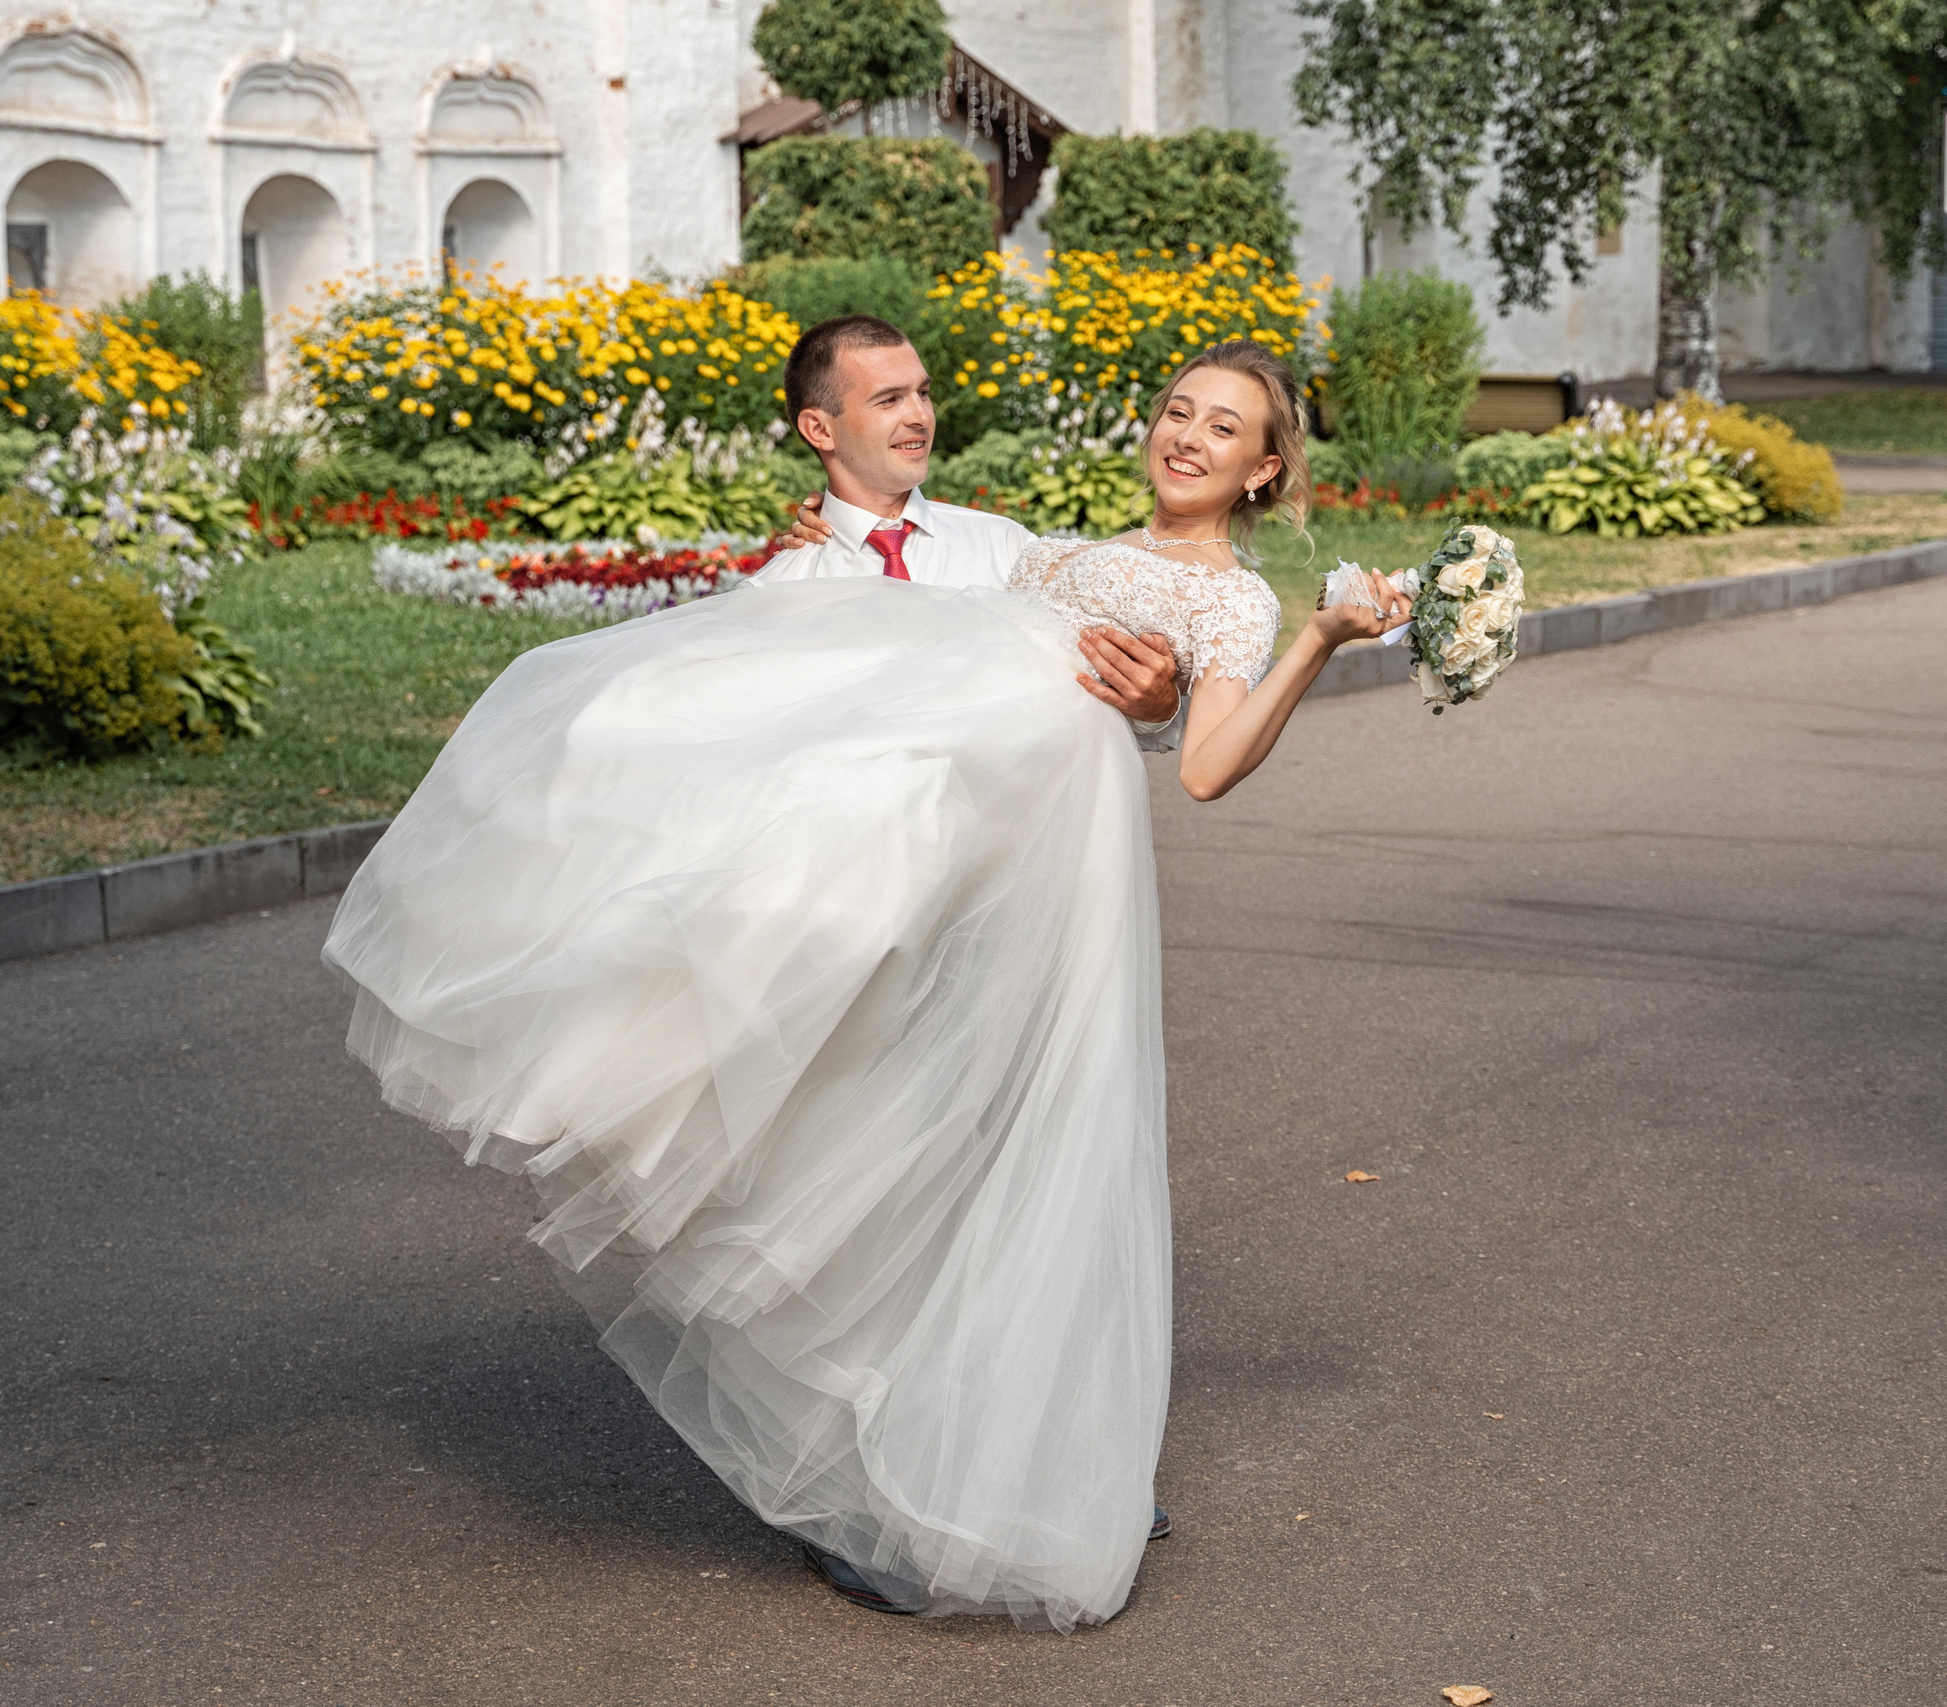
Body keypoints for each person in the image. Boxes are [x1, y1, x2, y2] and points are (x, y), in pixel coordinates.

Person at [324, 334, 1410, 1631]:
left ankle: (1039, 1467)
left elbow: (1202, 750)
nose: (1188, 435)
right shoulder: (1024, 547)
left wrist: (1312, 643)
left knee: (1010, 1165)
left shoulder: (1177, 585)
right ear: (818, 430)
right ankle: (898, 1459)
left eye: (1223, 427)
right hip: (873, 883)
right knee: (874, 1171)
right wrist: (829, 549)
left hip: (1024, 897)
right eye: (1178, 410)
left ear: (1265, 465)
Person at [753, 314, 1186, 746]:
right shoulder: (777, 595)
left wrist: (1157, 710)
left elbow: (1102, 697)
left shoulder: (1011, 549)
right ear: (819, 429)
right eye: (889, 400)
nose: (920, 416)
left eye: (922, 393)